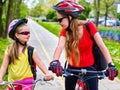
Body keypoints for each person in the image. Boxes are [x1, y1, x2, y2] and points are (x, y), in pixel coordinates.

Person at [49, 1, 118, 90]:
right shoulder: (65, 31)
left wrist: (111, 65)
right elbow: (60, 47)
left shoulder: (89, 26)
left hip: (90, 68)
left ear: (70, 17)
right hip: (72, 69)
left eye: (60, 20)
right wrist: (55, 61)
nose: (58, 23)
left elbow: (102, 46)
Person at [0, 18, 54, 90]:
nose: (28, 35)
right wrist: (0, 77)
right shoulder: (9, 50)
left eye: (29, 33)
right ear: (17, 35)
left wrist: (47, 73)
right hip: (13, 82)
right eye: (25, 33)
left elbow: (40, 63)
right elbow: (4, 66)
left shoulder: (31, 50)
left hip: (27, 82)